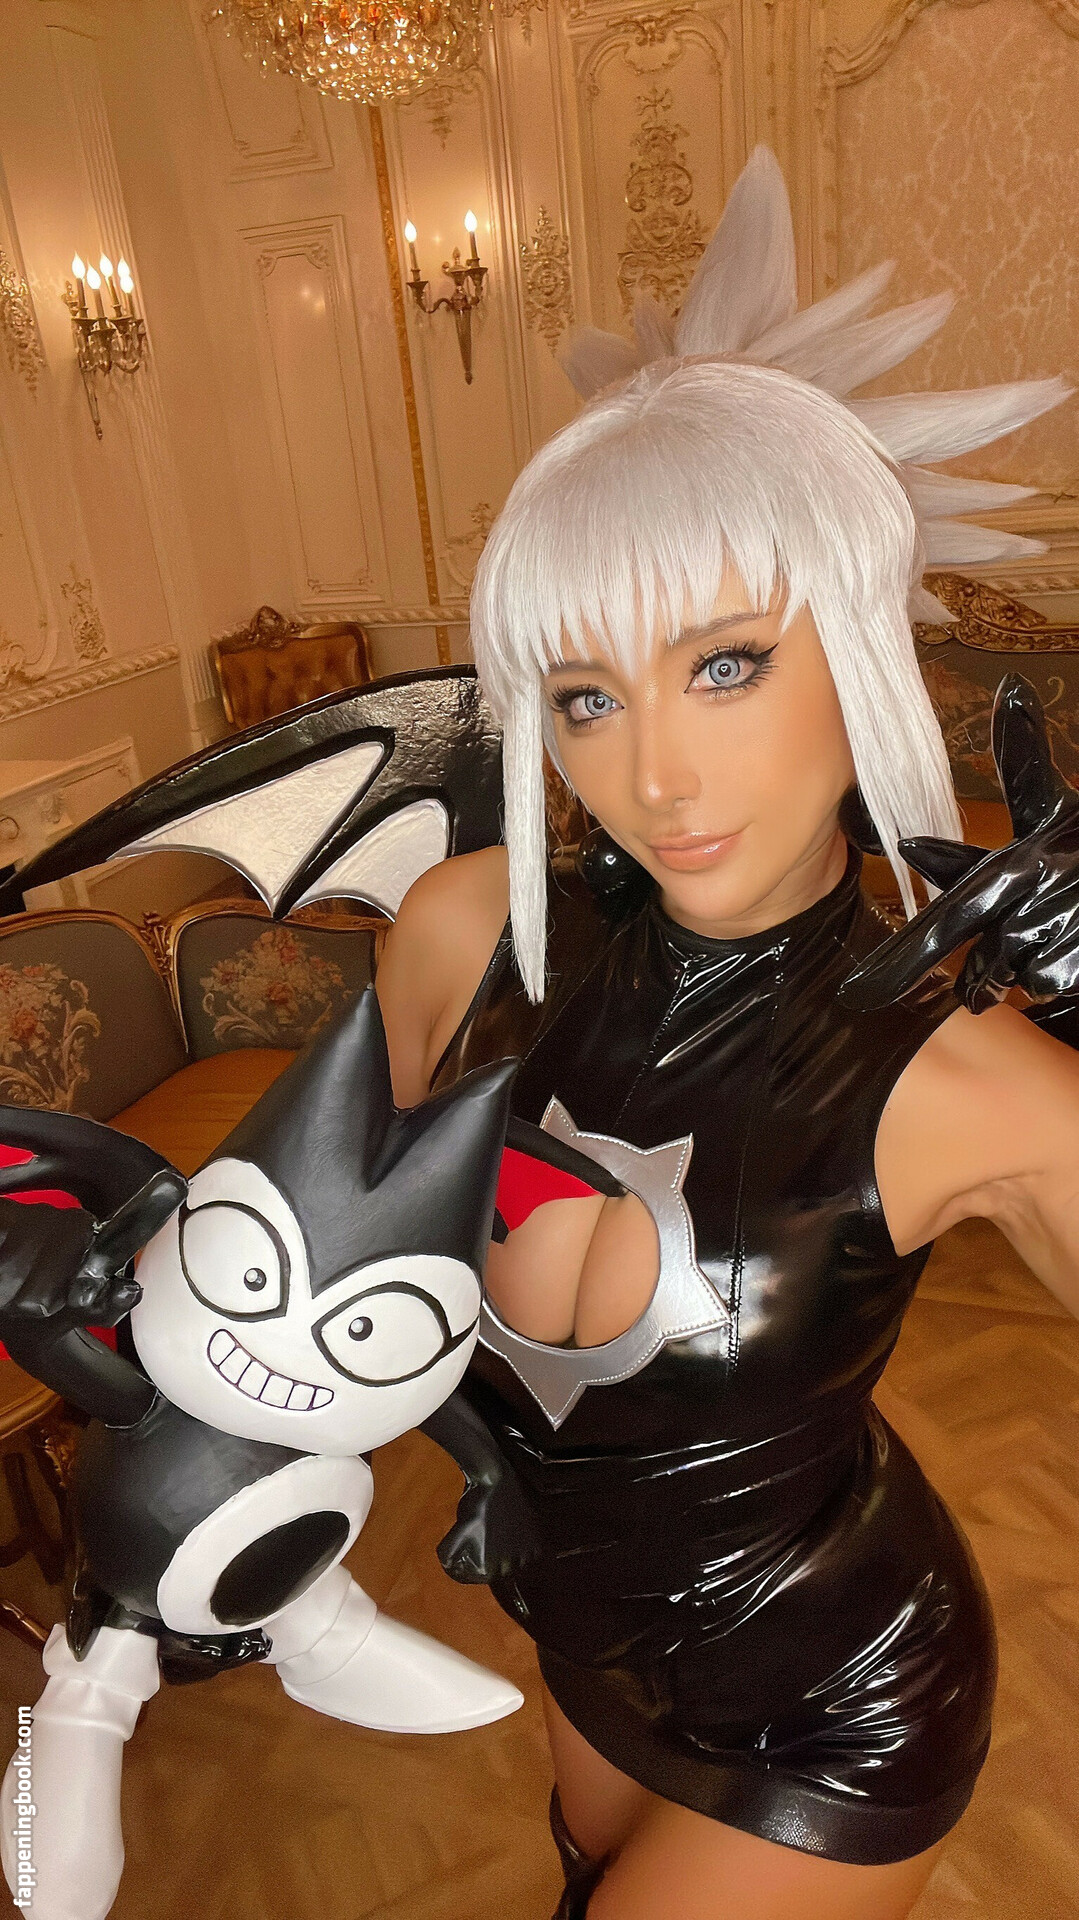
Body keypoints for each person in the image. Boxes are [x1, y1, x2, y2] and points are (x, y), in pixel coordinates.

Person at [375, 155, 1079, 1920]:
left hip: (844, 1703)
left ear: (861, 648)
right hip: (576, 1634)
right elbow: (355, 1266)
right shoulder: (466, 939)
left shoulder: (963, 1073)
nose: (655, 775)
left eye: (726, 665)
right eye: (588, 696)